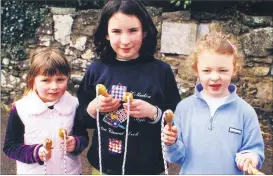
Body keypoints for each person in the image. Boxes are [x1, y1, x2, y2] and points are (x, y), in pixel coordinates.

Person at [76, 0, 181, 174]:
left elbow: (176, 118)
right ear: (106, 34)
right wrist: (93, 108)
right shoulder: (96, 69)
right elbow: (80, 118)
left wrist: (154, 113)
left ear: (144, 31)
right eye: (116, 31)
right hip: (104, 165)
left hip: (149, 167)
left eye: (133, 30)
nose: (125, 40)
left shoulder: (161, 71)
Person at [162, 28, 265, 174]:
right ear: (196, 69)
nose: (215, 77)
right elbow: (176, 157)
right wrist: (171, 143)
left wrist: (250, 157)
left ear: (234, 69)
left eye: (223, 70)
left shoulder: (245, 112)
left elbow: (255, 151)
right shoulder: (184, 108)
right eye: (207, 70)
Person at [3, 47, 89, 174]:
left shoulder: (74, 105)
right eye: (45, 80)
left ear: (67, 78)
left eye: (60, 79)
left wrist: (76, 143)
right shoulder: (21, 109)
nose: (54, 87)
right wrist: (35, 152)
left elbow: (83, 136)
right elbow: (10, 146)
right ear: (33, 81)